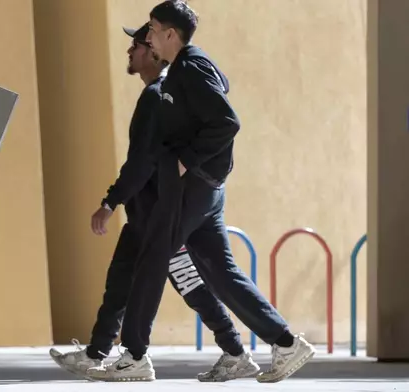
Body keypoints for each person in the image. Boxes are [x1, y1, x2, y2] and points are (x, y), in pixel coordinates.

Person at [87, 1, 316, 384]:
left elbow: (227, 122)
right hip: (205, 190)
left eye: (153, 29)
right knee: (220, 273)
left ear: (170, 34)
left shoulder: (190, 68)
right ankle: (286, 342)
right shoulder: (191, 67)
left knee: (152, 261)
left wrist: (185, 162)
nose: (149, 36)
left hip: (191, 188)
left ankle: (135, 356)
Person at [48, 22, 259, 383]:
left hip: (162, 211)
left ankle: (234, 350)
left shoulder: (158, 96)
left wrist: (110, 201)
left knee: (187, 281)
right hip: (144, 211)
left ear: (154, 51)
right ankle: (97, 352)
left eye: (136, 46)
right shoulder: (158, 94)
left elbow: (141, 162)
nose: (130, 52)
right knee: (120, 283)